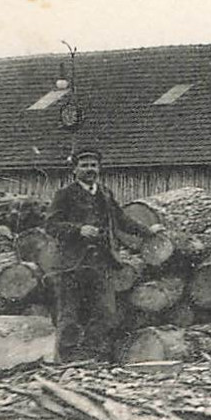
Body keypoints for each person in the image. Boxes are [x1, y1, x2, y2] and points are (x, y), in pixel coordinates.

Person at [45, 148, 136, 357]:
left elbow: (122, 220)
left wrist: (150, 232)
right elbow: (51, 225)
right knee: (69, 314)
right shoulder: (65, 194)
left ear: (99, 168)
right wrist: (78, 230)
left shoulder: (105, 193)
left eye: (93, 165)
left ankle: (91, 355)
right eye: (84, 165)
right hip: (72, 265)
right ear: (75, 169)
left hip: (101, 263)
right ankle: (67, 358)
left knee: (106, 312)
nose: (90, 170)